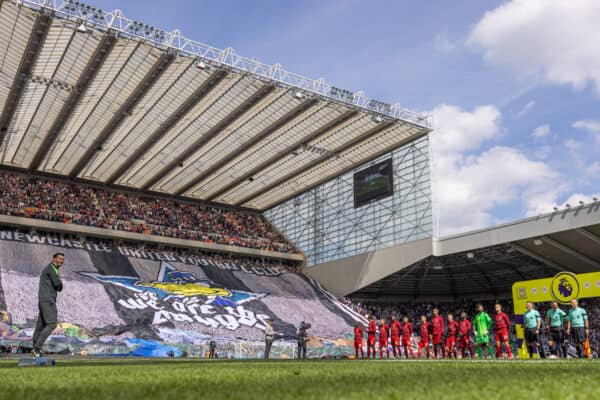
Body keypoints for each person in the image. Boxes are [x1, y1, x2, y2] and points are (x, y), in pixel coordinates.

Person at [32, 253, 64, 357]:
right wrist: (60, 280)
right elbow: (58, 286)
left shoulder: (50, 269)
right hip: (48, 301)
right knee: (52, 324)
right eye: (60, 258)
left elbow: (57, 286)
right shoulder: (51, 269)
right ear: (54, 259)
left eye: (63, 259)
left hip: (43, 300)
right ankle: (37, 347)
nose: (61, 261)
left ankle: (35, 349)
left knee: (40, 326)